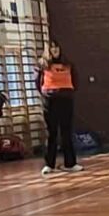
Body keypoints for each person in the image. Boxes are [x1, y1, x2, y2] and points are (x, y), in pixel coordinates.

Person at [36, 42, 79, 174]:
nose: (55, 50)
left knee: (67, 132)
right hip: (50, 102)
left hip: (66, 101)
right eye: (52, 48)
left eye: (56, 47)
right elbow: (38, 83)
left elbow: (75, 81)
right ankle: (49, 164)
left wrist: (67, 92)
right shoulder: (43, 65)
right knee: (52, 133)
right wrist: (47, 94)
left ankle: (70, 163)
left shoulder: (68, 65)